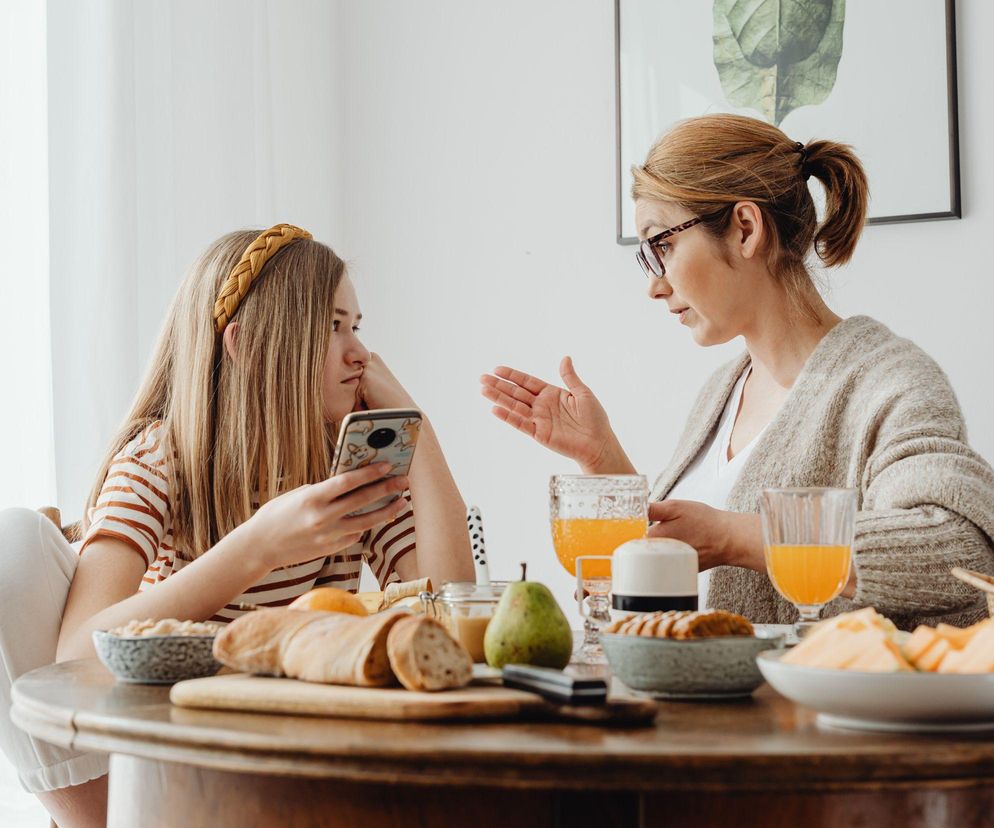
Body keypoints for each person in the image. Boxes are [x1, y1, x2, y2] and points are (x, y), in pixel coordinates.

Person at [0, 224, 473, 826]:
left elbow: (452, 608)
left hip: (297, 759)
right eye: (332, 327)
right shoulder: (161, 459)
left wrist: (418, 428)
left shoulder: (343, 466)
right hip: (172, 764)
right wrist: (257, 547)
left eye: (357, 326)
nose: (359, 353)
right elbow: (76, 652)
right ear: (246, 345)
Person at [482, 114, 994, 632]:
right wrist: (602, 456)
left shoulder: (889, 384)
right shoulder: (723, 392)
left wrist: (738, 538)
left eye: (662, 244)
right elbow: (676, 565)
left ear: (746, 229)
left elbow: (960, 557)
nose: (654, 285)